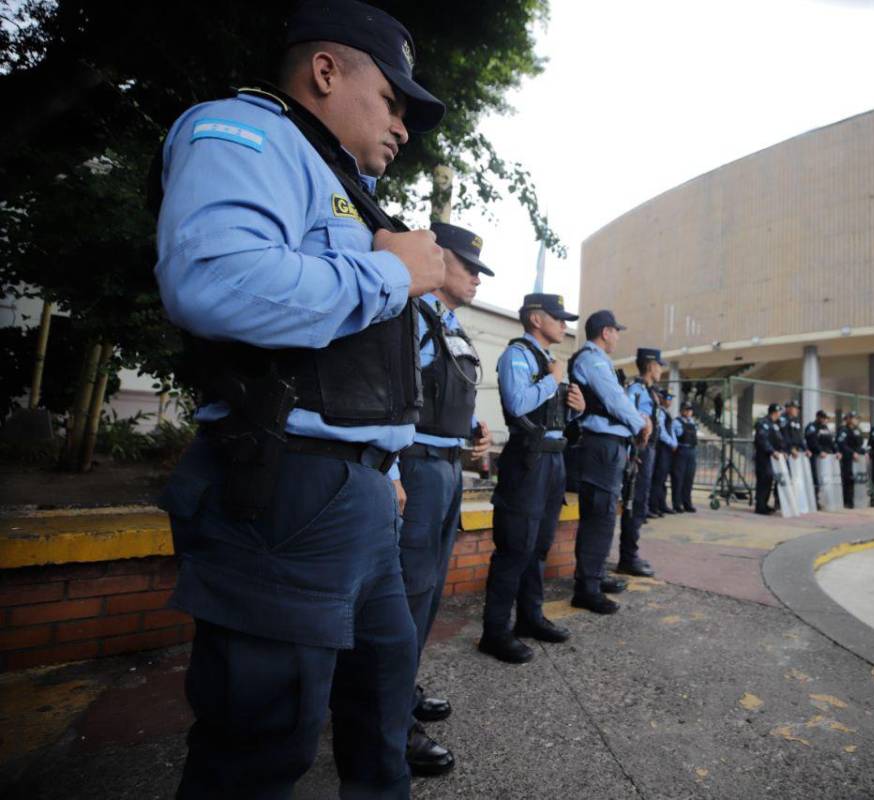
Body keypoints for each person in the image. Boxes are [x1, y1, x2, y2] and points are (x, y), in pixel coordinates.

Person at [152, 1, 447, 795]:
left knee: (384, 702)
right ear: (325, 70)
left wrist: (379, 462)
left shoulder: (340, 181)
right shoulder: (245, 133)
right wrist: (395, 273)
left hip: (354, 494)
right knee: (261, 745)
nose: (402, 127)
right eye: (392, 100)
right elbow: (218, 283)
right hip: (284, 492)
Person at [399, 222, 495, 776]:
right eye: (469, 265)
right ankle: (389, 722)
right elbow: (393, 390)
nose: (477, 277)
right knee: (407, 595)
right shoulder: (409, 313)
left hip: (446, 468)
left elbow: (445, 386)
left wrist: (474, 428)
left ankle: (398, 690)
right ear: (438, 260)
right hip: (415, 466)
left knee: (428, 593)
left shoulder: (449, 322)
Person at [480, 293, 584, 663]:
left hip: (553, 460)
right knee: (515, 548)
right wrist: (553, 381)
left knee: (539, 546)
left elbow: (553, 419)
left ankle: (530, 617)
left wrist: (576, 410)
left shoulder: (547, 361)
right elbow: (518, 404)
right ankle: (495, 632)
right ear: (537, 319)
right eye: (558, 318)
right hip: (527, 461)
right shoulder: (517, 356)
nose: (564, 326)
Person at [567, 312, 653, 613]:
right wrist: (640, 423)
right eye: (616, 331)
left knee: (602, 516)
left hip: (608, 445)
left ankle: (593, 576)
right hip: (600, 445)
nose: (618, 337)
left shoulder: (598, 360)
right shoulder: (592, 360)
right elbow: (615, 399)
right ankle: (587, 588)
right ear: (606, 332)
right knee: (599, 516)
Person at [617, 348, 665, 573]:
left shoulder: (649, 391)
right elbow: (630, 419)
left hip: (649, 450)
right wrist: (634, 452)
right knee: (634, 503)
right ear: (650, 365)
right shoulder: (636, 389)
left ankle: (631, 553)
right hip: (640, 451)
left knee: (640, 503)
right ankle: (627, 558)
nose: (661, 369)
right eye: (659, 365)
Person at [650, 388, 678, 516]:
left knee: (662, 479)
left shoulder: (666, 412)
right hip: (662, 447)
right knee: (658, 478)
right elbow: (661, 431)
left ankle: (661, 505)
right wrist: (672, 443)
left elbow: (670, 430)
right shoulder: (659, 412)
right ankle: (654, 506)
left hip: (667, 448)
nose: (670, 401)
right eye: (668, 398)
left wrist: (674, 443)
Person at [754, 403, 786, 514]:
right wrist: (772, 451)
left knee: (769, 480)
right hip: (764, 456)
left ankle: (764, 504)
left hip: (773, 457)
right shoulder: (763, 423)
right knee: (763, 480)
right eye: (779, 412)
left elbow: (779, 439)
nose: (780, 414)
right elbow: (762, 439)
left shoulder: (775, 424)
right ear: (774, 412)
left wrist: (782, 451)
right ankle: (760, 506)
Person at [671, 401, 700, 512]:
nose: (688, 412)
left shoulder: (693, 422)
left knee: (689, 478)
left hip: (691, 451)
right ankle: (677, 504)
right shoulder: (676, 422)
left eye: (690, 410)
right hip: (681, 450)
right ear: (682, 410)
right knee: (678, 478)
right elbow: (674, 435)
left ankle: (687, 503)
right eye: (686, 410)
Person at [804, 410, 835, 508]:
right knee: (815, 478)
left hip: (826, 458)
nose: (825, 420)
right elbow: (812, 442)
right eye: (823, 418)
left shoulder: (825, 428)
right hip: (815, 456)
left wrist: (836, 451)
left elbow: (831, 442)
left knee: (825, 479)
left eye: (826, 418)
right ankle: (814, 500)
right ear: (818, 417)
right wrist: (820, 451)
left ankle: (825, 500)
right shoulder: (812, 427)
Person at [836, 412, 866, 508]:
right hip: (848, 458)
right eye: (854, 418)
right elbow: (842, 444)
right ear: (848, 419)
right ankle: (848, 501)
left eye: (856, 418)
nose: (856, 420)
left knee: (858, 480)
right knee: (848, 479)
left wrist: (863, 452)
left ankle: (858, 500)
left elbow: (860, 444)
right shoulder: (843, 430)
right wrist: (852, 453)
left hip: (858, 459)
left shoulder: (857, 430)